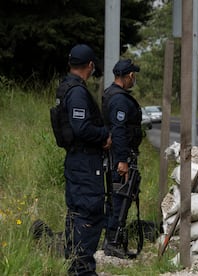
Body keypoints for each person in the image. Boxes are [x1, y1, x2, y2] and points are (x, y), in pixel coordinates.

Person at [59, 44, 111, 275]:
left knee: (78, 213)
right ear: (90, 65)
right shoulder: (78, 91)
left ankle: (75, 266)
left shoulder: (66, 87)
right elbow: (81, 128)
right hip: (85, 163)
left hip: (77, 161)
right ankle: (82, 270)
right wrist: (103, 137)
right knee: (89, 213)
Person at [102, 59, 143, 258]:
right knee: (120, 196)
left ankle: (111, 239)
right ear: (129, 76)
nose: (134, 79)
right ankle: (113, 242)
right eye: (133, 75)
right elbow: (118, 130)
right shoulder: (119, 99)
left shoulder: (110, 93)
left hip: (116, 155)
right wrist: (123, 160)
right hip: (120, 157)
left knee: (116, 196)